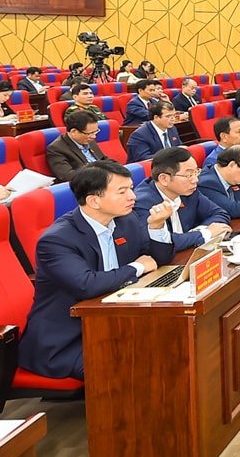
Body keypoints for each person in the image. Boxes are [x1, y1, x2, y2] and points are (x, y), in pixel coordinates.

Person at [19, 161, 177, 379]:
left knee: (176, 340)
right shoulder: (57, 240)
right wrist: (137, 266)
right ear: (94, 200)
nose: (133, 196)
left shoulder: (126, 220)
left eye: (131, 188)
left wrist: (157, 226)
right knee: (135, 361)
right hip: (69, 339)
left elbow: (157, 259)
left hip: (115, 322)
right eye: (122, 191)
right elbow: (87, 285)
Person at [134, 147, 231, 252]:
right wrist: (205, 233)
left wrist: (198, 232)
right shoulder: (143, 203)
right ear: (164, 179)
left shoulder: (189, 192)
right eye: (189, 175)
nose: (195, 180)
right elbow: (161, 243)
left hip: (187, 254)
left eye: (196, 172)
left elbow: (220, 214)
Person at [46, 110, 111, 182]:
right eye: (90, 133)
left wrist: (120, 169)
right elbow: (68, 176)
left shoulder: (88, 139)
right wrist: (101, 174)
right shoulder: (56, 149)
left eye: (95, 131)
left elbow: (103, 159)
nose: (94, 136)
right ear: (74, 132)